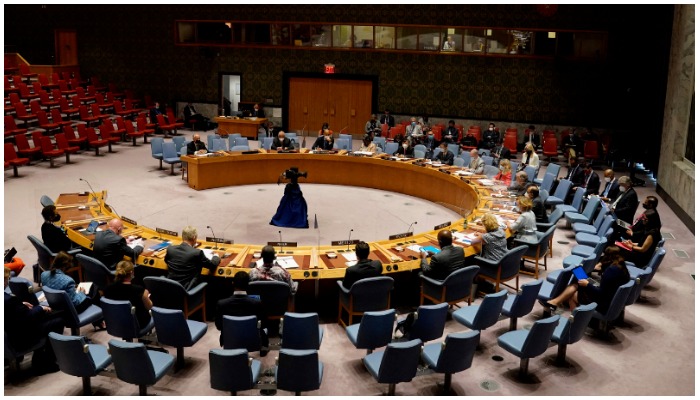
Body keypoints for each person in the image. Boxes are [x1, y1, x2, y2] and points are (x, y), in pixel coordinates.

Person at [5, 267, 63, 375]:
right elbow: (27, 317)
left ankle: (40, 356)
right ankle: (46, 362)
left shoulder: (7, 299)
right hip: (21, 336)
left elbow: (11, 310)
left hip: (9, 331)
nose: (7, 281)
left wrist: (20, 304)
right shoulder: (8, 300)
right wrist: (41, 308)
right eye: (6, 279)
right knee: (58, 321)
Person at [544, 246, 630, 314]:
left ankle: (574, 320)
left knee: (573, 293)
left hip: (603, 304)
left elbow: (601, 293)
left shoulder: (611, 271)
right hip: (611, 300)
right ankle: (554, 302)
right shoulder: (621, 266)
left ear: (608, 257)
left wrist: (587, 284)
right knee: (578, 280)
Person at [215, 271, 268, 354]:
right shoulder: (257, 303)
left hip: (230, 340)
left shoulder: (221, 304)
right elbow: (264, 324)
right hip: (252, 340)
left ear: (233, 283)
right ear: (248, 285)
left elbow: (219, 326)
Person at [165, 226, 221, 290]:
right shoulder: (197, 253)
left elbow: (166, 261)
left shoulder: (170, 249)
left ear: (183, 236)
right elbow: (212, 265)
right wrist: (216, 256)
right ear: (194, 237)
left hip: (170, 288)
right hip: (186, 290)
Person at [103, 261, 152, 329]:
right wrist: (146, 295)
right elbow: (149, 307)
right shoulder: (139, 290)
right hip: (136, 325)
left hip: (116, 322)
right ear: (132, 273)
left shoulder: (107, 289)